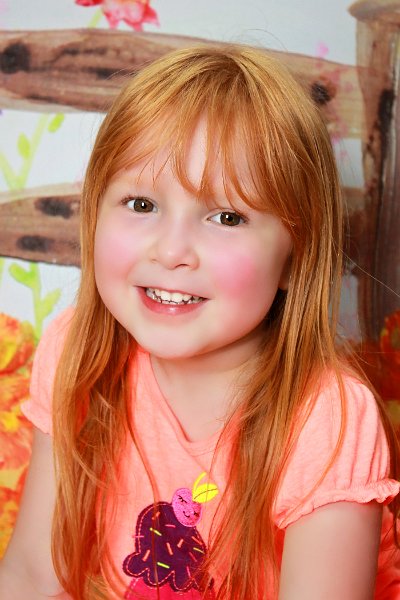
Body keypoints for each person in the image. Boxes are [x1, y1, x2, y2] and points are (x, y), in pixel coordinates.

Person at [0, 44, 399, 600]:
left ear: (296, 258)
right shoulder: (76, 351)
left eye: (226, 216)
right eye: (142, 205)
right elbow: (33, 574)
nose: (171, 252)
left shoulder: (326, 420)